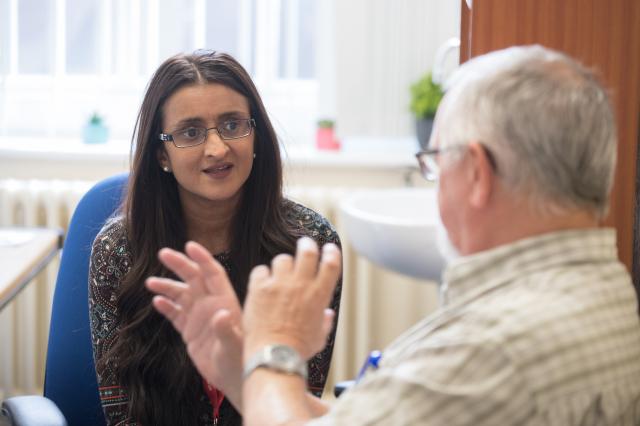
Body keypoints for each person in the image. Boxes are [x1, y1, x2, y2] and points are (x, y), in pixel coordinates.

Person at [147, 45, 640, 425]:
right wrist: (244, 372)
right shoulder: (610, 295)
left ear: (477, 175)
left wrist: (273, 348)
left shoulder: (492, 350)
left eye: (436, 161)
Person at [88, 50, 342, 426]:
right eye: (191, 132)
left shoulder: (309, 247)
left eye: (233, 124)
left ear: (255, 134)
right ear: (162, 153)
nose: (218, 148)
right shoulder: (118, 252)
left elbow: (294, 406)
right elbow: (123, 416)